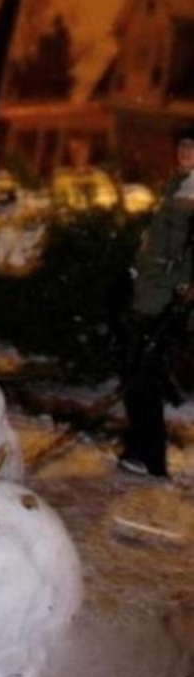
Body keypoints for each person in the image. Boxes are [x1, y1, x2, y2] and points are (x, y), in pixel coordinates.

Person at [118, 123, 194, 477]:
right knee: (136, 376)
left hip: (166, 299)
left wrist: (179, 293)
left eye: (192, 149)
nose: (184, 153)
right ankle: (140, 449)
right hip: (148, 293)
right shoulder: (177, 186)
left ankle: (150, 457)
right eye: (182, 146)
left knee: (144, 380)